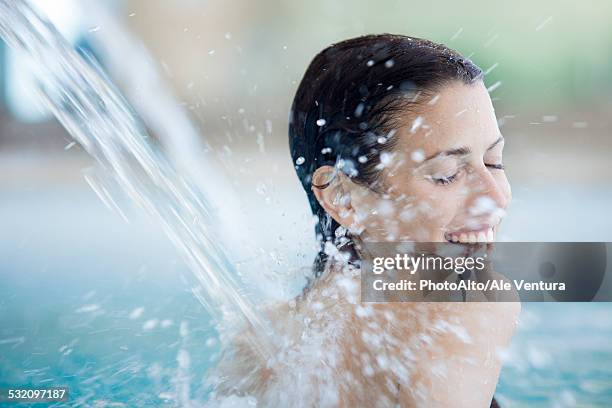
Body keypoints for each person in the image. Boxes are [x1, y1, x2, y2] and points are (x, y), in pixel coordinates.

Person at [208, 33, 520, 408]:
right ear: (343, 198)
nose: (496, 198)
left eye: (493, 162)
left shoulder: (262, 341)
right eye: (447, 174)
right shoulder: (467, 300)